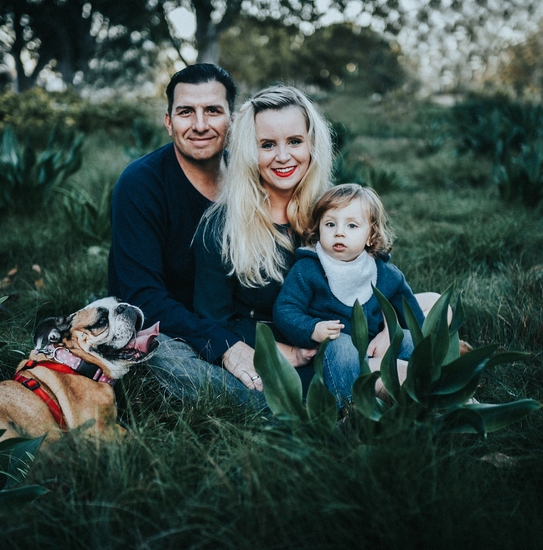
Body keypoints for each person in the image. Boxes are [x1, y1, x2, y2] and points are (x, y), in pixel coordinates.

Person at [108, 64, 266, 408]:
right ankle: (281, 412)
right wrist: (225, 346)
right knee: (166, 359)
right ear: (168, 122)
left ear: (233, 119)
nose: (199, 124)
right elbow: (142, 298)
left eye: (212, 110)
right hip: (166, 328)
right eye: (185, 112)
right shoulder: (141, 185)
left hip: (235, 320)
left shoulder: (250, 179)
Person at [193, 85, 334, 393]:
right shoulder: (222, 226)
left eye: (295, 141)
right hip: (271, 358)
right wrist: (287, 353)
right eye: (267, 145)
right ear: (248, 151)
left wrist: (386, 330)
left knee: (434, 308)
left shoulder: (329, 213)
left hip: (337, 337)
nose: (283, 157)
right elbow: (214, 321)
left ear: (312, 144)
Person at [273, 183, 428, 405]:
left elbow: (411, 315)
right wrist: (313, 329)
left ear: (370, 236)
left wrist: (396, 333)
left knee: (412, 340)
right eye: (330, 224)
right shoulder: (308, 269)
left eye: (352, 226)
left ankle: (418, 391)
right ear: (318, 229)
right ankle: (348, 407)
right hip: (332, 349)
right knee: (343, 346)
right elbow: (285, 309)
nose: (339, 232)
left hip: (374, 344)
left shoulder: (386, 274)